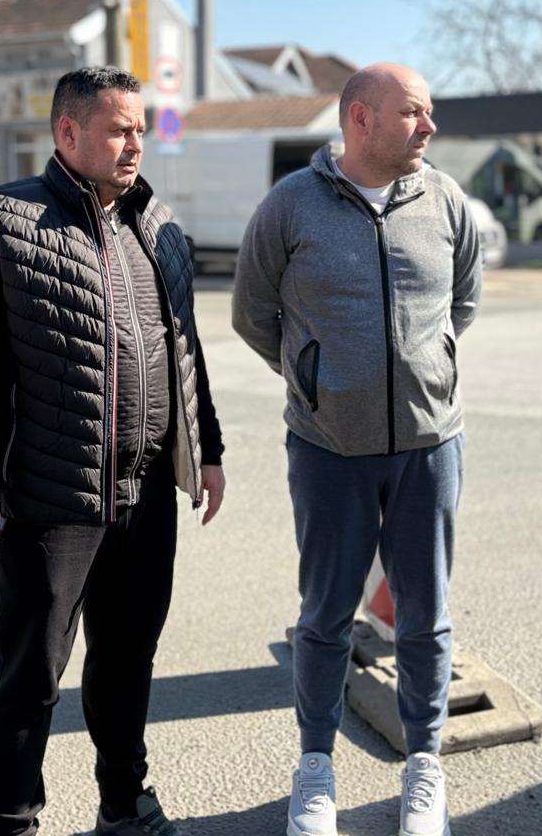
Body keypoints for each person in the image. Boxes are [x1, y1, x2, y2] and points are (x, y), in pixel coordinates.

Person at [0, 65, 227, 836]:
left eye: (140, 129)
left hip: (146, 492)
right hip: (48, 496)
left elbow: (183, 345)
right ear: (68, 132)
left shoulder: (155, 223)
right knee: (29, 677)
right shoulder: (2, 222)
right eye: (117, 130)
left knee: (129, 658)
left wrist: (208, 446)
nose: (135, 144)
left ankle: (124, 804)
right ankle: (11, 823)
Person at [232, 63, 482, 836]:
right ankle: (315, 770)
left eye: (429, 112)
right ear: (360, 119)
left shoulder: (446, 200)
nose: (429, 126)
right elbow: (253, 314)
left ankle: (424, 768)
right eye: (414, 112)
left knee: (425, 615)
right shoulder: (290, 205)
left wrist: (424, 370)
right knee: (326, 615)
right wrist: (319, 383)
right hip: (328, 449)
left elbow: (463, 302)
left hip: (429, 445)